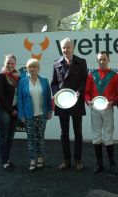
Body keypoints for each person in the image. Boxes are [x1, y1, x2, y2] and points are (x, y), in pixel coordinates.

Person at [51, 37, 88, 171]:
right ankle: (66, 160)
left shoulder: (81, 62)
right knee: (64, 133)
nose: (66, 50)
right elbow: (54, 83)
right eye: (63, 48)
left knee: (78, 132)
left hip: (76, 102)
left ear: (73, 48)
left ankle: (78, 160)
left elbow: (85, 81)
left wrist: (79, 92)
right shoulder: (56, 63)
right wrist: (56, 94)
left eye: (68, 47)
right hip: (62, 103)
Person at [85, 51, 118, 176]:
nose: (102, 61)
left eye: (104, 59)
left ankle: (112, 163)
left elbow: (117, 94)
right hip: (95, 109)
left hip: (108, 109)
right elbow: (87, 92)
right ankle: (99, 163)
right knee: (96, 135)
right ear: (97, 60)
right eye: (99, 59)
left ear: (108, 60)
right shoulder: (91, 75)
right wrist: (88, 101)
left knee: (108, 135)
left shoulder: (115, 76)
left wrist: (113, 101)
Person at [18, 58, 52, 172]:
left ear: (38, 68)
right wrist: (21, 114)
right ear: (27, 69)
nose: (32, 69)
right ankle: (33, 160)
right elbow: (20, 100)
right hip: (28, 115)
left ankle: (40, 158)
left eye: (34, 66)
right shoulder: (22, 82)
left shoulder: (44, 81)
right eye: (30, 67)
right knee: (31, 138)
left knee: (40, 138)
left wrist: (49, 111)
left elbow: (48, 98)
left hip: (42, 114)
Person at [0, 54, 19, 170]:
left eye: (12, 63)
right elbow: (0, 96)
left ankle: (7, 159)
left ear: (15, 64)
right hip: (3, 111)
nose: (10, 65)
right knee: (4, 136)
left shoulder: (17, 77)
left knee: (10, 137)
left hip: (14, 111)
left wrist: (16, 110)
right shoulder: (1, 76)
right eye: (8, 63)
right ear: (4, 63)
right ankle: (4, 161)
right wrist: (11, 110)